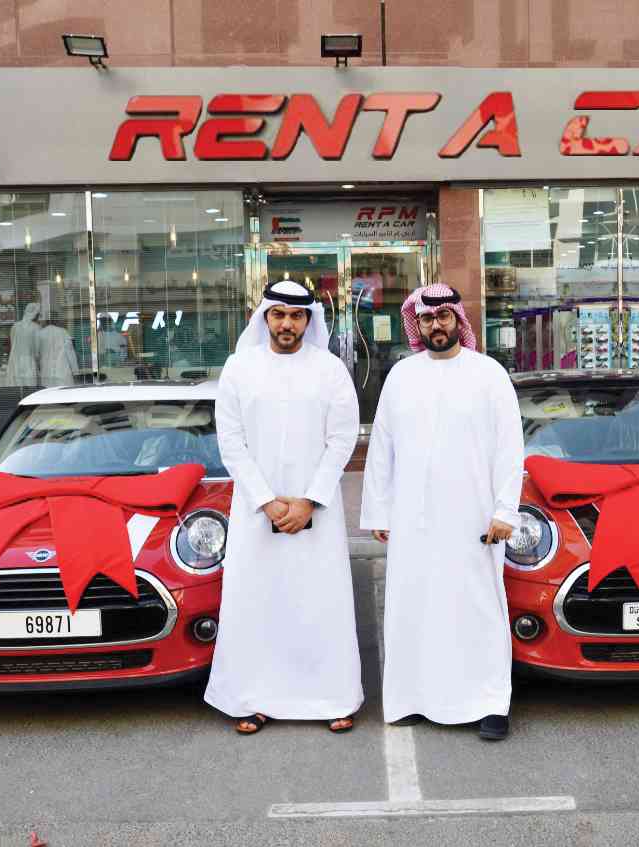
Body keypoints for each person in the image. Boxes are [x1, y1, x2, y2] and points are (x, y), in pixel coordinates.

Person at [360, 283, 525, 741]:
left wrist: (505, 510)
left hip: (474, 516)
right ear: (418, 323)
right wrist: (379, 511)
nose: (436, 325)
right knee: (414, 606)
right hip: (412, 516)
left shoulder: (489, 374)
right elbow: (382, 448)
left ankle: (490, 703)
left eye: (444, 317)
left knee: (477, 608)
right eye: (428, 319)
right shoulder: (401, 376)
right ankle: (414, 698)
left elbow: (510, 448)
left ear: (458, 319)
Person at [204, 279, 363, 735]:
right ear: (265, 317)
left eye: (296, 316)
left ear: (308, 320)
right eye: (279, 315)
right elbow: (231, 442)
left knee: (320, 603)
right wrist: (266, 501)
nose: (287, 324)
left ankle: (333, 698)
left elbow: (342, 439)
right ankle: (253, 700)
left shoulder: (330, 369)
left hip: (318, 511)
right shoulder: (239, 368)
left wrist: (309, 500)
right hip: (257, 512)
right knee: (258, 604)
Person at [5, 303, 41, 387]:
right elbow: (37, 348)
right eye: (38, 314)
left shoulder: (15, 326)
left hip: (15, 360)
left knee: (17, 385)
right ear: (34, 314)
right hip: (29, 360)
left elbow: (12, 343)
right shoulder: (36, 327)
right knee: (30, 386)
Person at [37, 317, 79, 387]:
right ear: (56, 320)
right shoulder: (63, 332)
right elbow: (70, 353)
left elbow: (37, 355)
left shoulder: (40, 334)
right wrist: (75, 372)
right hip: (62, 373)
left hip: (46, 374)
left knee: (48, 393)